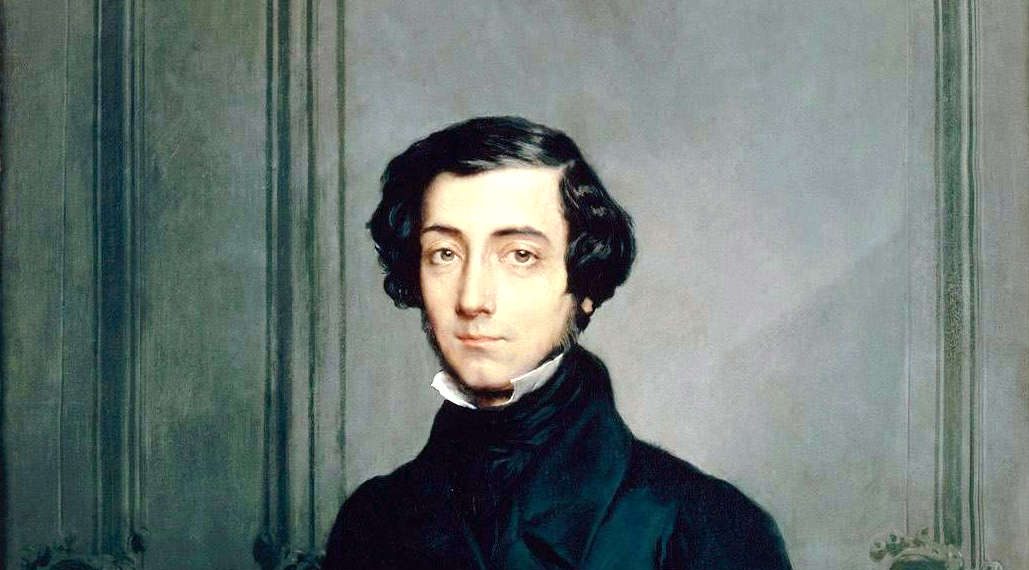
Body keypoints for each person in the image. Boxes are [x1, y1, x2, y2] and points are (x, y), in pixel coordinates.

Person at [323, 116, 792, 569]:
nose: (472, 299)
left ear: (585, 285)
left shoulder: (707, 527)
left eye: (520, 255)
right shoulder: (373, 522)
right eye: (445, 253)